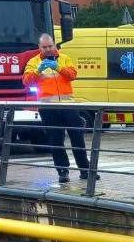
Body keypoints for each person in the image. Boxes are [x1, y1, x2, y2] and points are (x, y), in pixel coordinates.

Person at [23, 34, 94, 184]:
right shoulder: (33, 62)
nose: (48, 49)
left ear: (54, 45)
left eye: (50, 46)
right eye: (45, 47)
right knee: (56, 140)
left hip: (68, 105)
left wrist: (59, 67)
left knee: (77, 138)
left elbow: (73, 75)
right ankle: (62, 171)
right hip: (48, 107)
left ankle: (85, 170)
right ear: (39, 47)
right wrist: (37, 71)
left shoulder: (64, 58)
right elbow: (26, 81)